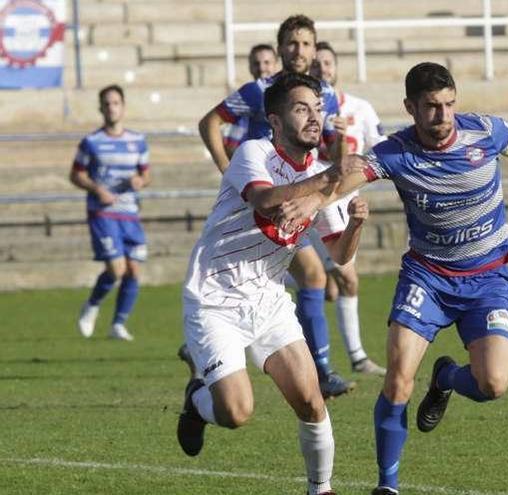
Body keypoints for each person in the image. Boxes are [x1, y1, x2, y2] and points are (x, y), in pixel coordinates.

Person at [285, 62, 508, 494]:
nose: (442, 115)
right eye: (431, 107)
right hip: (427, 279)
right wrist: (312, 201)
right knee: (399, 378)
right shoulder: (395, 152)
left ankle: (445, 378)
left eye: (448, 104)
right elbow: (345, 178)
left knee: (493, 385)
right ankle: (387, 485)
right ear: (410, 108)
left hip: (488, 280)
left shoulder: (487, 132)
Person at [176, 72, 368, 495]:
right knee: (236, 411)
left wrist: (354, 223)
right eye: (302, 109)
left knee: (310, 399)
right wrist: (331, 178)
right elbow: (265, 199)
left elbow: (340, 256)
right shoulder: (254, 152)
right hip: (216, 298)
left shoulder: (323, 176)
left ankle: (321, 489)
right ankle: (196, 400)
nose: (315, 118)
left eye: (318, 109)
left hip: (268, 299)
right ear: (275, 121)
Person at [196, 15, 354, 398]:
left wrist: (340, 153)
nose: (299, 50)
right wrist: (228, 169)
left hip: (297, 194)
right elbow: (210, 122)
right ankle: (319, 369)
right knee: (312, 277)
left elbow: (330, 149)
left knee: (312, 278)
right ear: (280, 47)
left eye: (306, 44)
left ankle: (307, 365)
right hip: (263, 201)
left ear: (316, 49)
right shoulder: (258, 91)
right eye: (292, 43)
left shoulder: (324, 95)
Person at [311, 41, 386, 376]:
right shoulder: (306, 109)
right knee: (335, 278)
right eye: (316, 64)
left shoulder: (360, 108)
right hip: (313, 195)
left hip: (341, 200)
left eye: (327, 62)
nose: (322, 68)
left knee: (340, 280)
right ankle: (346, 358)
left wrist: (361, 178)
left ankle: (352, 357)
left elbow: (379, 150)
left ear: (336, 67)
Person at [71, 84, 151, 342]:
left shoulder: (137, 141)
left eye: (115, 103)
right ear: (100, 108)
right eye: (106, 103)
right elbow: (75, 174)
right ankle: (92, 305)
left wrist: (140, 181)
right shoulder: (91, 142)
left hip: (130, 213)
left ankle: (118, 324)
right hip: (103, 212)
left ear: (123, 107)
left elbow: (146, 174)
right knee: (116, 269)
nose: (111, 108)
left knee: (134, 271)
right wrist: (97, 188)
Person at [221, 44, 280, 157]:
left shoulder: (288, 93)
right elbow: (231, 144)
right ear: (250, 67)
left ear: (276, 65)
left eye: (267, 63)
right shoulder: (246, 98)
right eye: (256, 63)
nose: (262, 68)